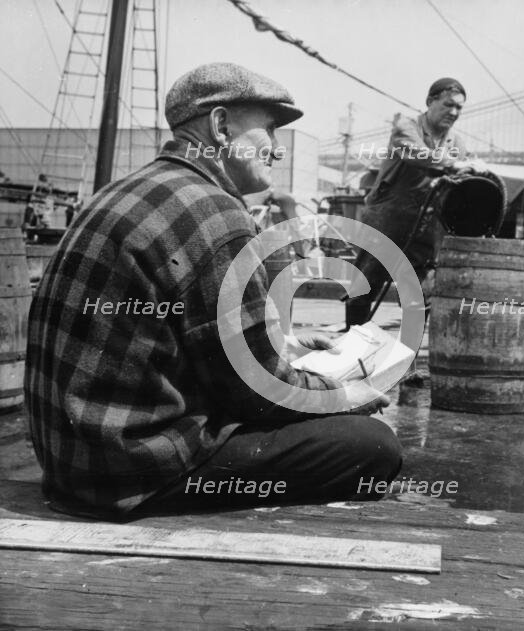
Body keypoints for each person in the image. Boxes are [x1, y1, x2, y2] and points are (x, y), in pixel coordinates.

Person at [25, 63, 400, 520]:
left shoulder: (125, 191)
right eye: (269, 130)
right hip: (136, 474)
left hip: (73, 467)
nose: (278, 151)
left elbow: (173, 334)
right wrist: (344, 395)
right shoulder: (217, 215)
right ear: (221, 127)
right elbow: (257, 392)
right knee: (372, 446)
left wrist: (284, 343)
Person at [344, 77, 472, 327]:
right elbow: (416, 153)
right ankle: (351, 347)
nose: (454, 112)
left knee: (420, 292)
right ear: (429, 102)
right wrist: (453, 164)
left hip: (424, 225)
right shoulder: (406, 127)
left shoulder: (457, 143)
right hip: (387, 219)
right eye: (448, 105)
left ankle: (407, 357)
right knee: (365, 283)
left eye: (459, 108)